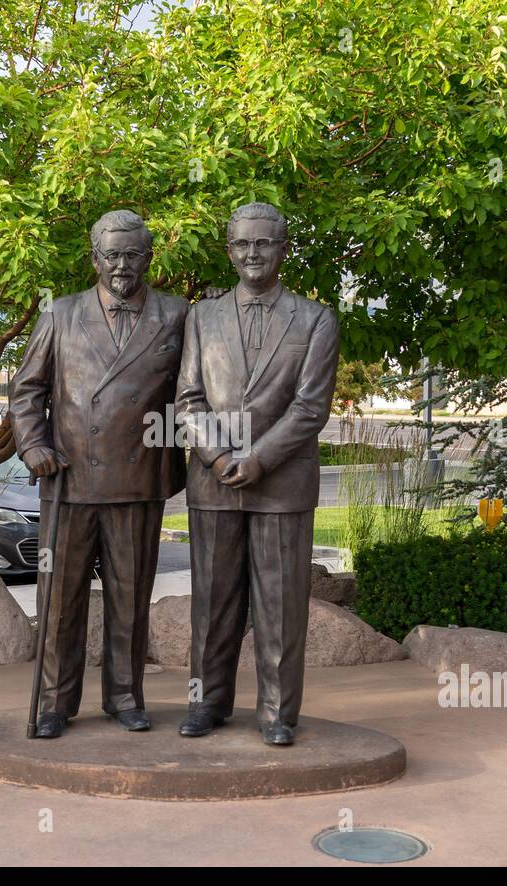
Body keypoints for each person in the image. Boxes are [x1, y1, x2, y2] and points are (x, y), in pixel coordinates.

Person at [9, 210, 188, 739]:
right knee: (59, 600)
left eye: (133, 254)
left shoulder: (176, 315)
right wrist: (34, 443)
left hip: (139, 480)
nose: (121, 266)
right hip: (69, 480)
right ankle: (53, 704)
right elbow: (26, 392)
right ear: (93, 258)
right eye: (111, 255)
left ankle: (125, 696)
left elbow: (193, 392)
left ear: (149, 257)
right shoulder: (61, 316)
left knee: (130, 597)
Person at [175, 202, 339, 746]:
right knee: (212, 603)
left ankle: (276, 712)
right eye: (242, 244)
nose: (252, 253)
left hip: (282, 485)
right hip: (213, 482)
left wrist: (259, 458)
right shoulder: (201, 317)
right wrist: (219, 458)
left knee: (280, 605)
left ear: (283, 248)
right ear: (229, 250)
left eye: (263, 243)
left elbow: (309, 408)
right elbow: (188, 399)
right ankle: (207, 704)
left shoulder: (316, 320)